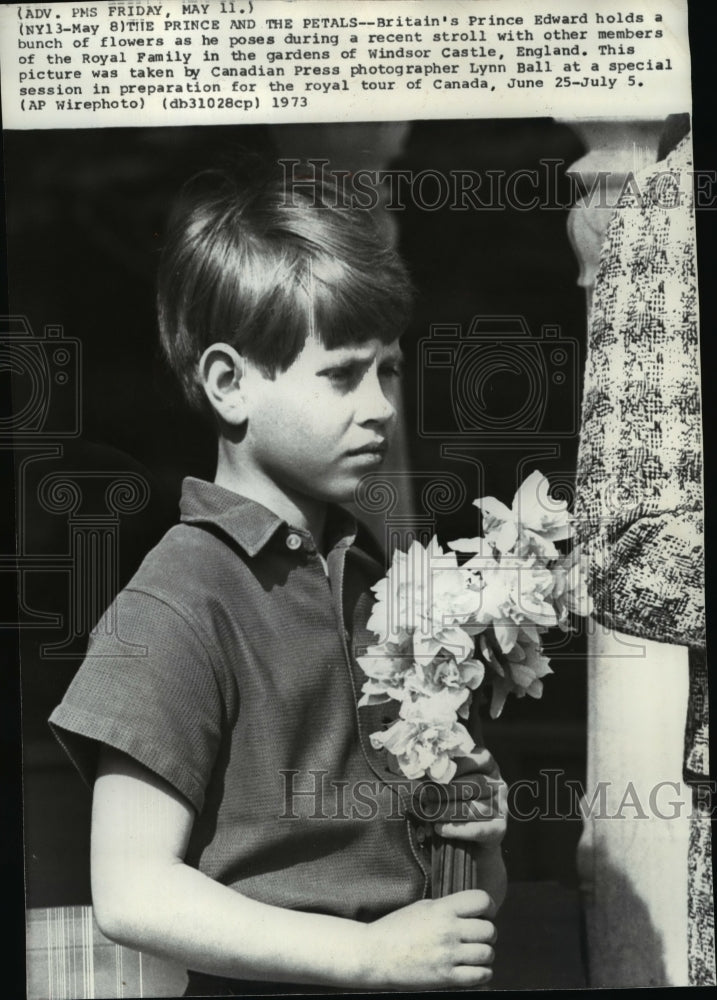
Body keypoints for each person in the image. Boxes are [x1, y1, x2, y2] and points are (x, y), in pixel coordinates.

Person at [49, 157, 507, 996]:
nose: (379, 406)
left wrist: (475, 839)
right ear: (229, 384)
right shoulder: (178, 599)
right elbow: (129, 891)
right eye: (340, 373)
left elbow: (439, 905)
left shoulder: (377, 580)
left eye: (389, 370)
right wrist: (367, 956)